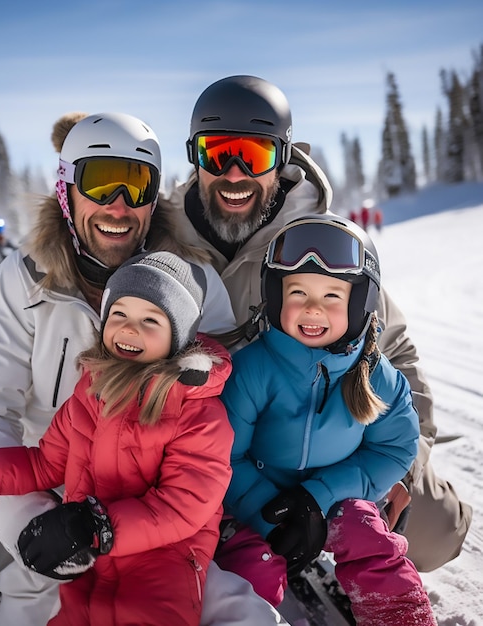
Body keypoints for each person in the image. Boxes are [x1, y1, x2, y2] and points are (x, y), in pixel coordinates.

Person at [0, 112, 283, 626]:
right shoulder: (24, 277)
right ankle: (22, 576)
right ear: (66, 188)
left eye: (135, 185)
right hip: (44, 454)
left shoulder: (192, 281)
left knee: (165, 589)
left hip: (147, 483)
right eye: (99, 181)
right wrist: (33, 526)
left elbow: (215, 408)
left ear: (153, 198)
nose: (118, 204)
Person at [159, 74, 472, 573]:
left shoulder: (322, 242)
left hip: (331, 439)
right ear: (194, 156)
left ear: (282, 158)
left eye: (254, 155)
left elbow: (394, 349)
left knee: (434, 532)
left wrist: (404, 469)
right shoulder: (162, 243)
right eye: (217, 153)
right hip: (219, 448)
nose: (234, 173)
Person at [0, 251, 235, 626]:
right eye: (119, 315)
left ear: (178, 337)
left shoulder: (198, 412)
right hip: (92, 551)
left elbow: (183, 506)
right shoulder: (90, 392)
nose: (130, 329)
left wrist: (95, 526)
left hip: (165, 559)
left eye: (150, 320)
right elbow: (45, 462)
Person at [218, 215, 437, 625]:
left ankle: (399, 616)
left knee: (370, 536)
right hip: (261, 504)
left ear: (359, 304)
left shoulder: (374, 374)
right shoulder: (252, 370)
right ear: (275, 296)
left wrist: (318, 498)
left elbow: (394, 446)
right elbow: (224, 456)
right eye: (297, 291)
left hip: (336, 498)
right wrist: (266, 512)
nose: (313, 308)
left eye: (332, 296)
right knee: (249, 567)